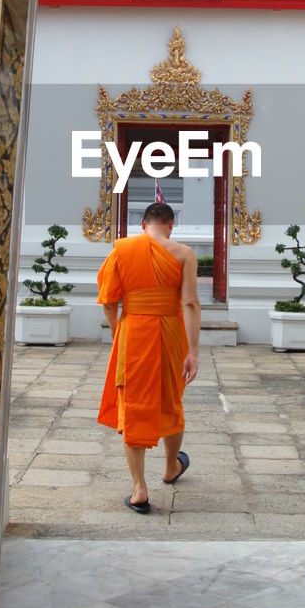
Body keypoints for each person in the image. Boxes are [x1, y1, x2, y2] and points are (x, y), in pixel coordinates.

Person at [96, 201, 200, 513]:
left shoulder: (123, 249)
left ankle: (139, 489)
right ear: (171, 225)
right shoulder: (184, 253)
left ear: (143, 225)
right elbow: (191, 304)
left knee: (134, 404)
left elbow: (108, 301)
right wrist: (193, 351)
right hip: (170, 332)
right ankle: (170, 468)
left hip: (134, 333)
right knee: (171, 399)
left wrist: (119, 333)